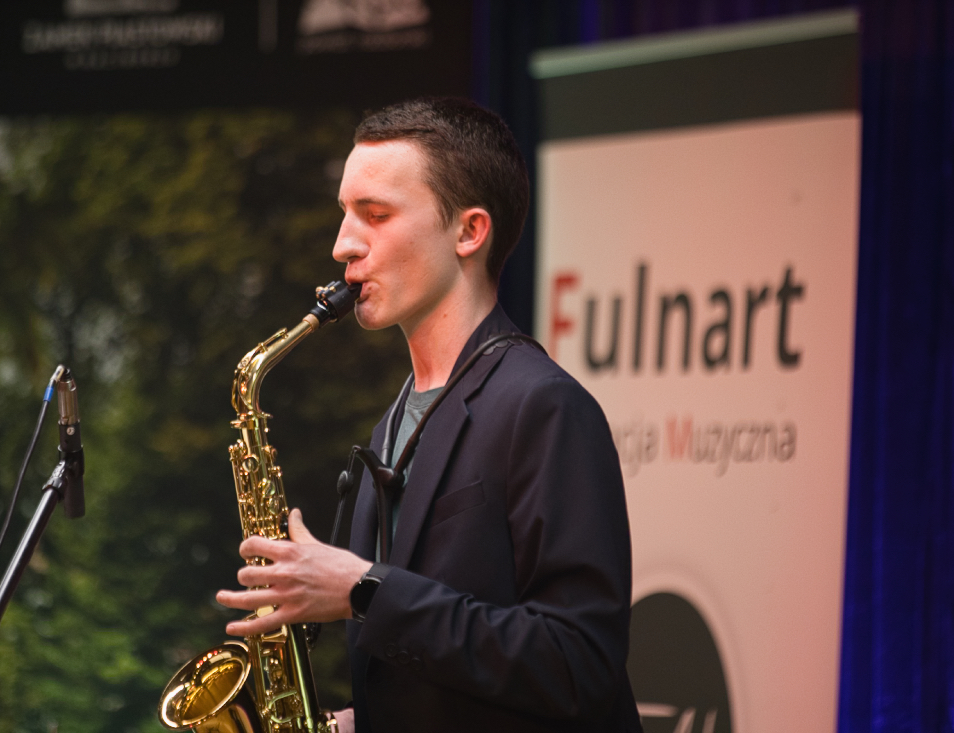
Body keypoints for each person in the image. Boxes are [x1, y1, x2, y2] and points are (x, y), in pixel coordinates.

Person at [216, 97, 643, 733]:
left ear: (470, 232)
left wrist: (363, 589)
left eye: (376, 215)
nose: (342, 245)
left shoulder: (545, 405)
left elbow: (577, 663)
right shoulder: (391, 425)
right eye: (344, 214)